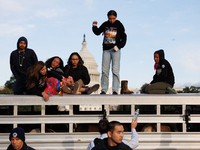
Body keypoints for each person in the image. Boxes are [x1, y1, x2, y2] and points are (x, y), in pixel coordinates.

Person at [92, 10, 127, 95]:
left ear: (116, 17)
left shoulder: (119, 24)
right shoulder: (105, 24)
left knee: (115, 70)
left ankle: (115, 90)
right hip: (106, 50)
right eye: (110, 18)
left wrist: (118, 46)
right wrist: (94, 26)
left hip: (115, 50)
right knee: (105, 70)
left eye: (113, 18)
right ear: (108, 17)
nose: (112, 20)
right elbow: (97, 32)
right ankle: (104, 89)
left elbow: (124, 38)